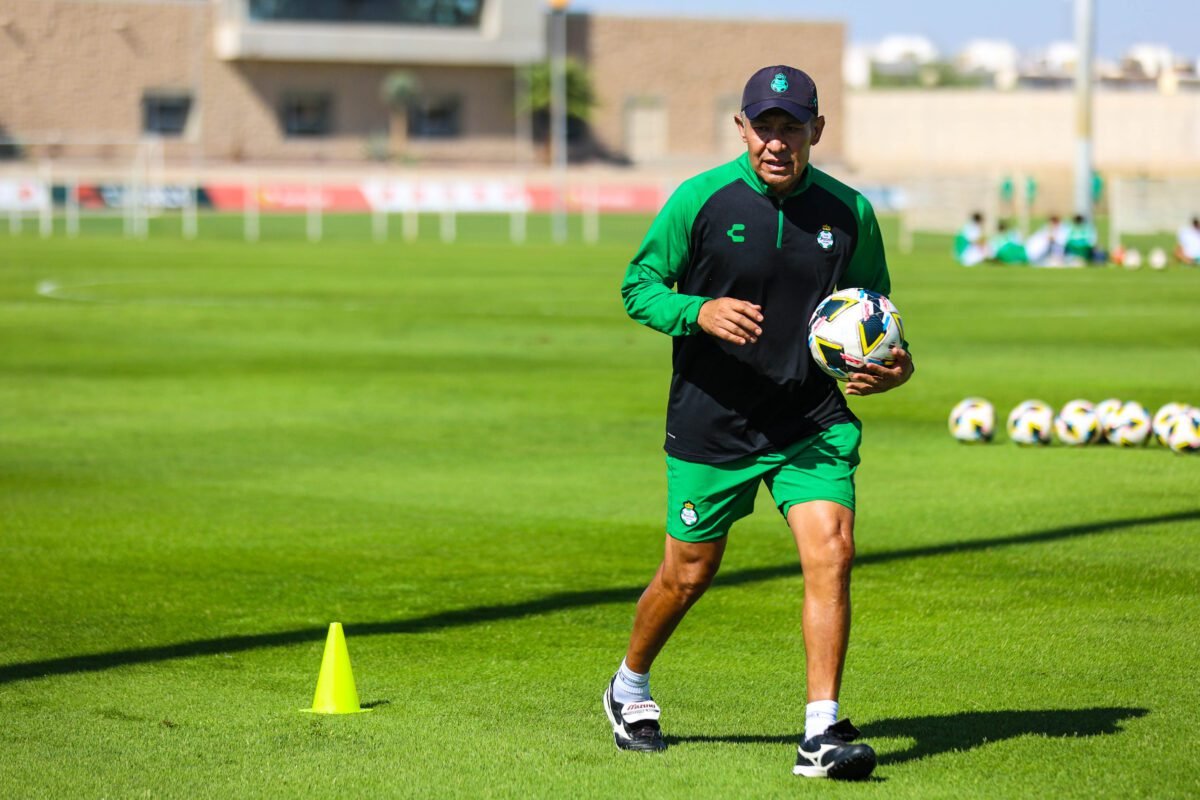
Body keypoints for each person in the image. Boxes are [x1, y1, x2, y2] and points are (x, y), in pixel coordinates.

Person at [607, 64, 914, 781]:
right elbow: (638, 286)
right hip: (714, 419)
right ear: (742, 128)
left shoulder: (850, 212)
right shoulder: (700, 201)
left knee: (832, 550)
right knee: (688, 573)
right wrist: (698, 311)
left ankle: (820, 732)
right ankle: (629, 684)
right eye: (763, 125)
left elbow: (875, 313)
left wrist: (896, 366)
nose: (776, 141)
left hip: (810, 419)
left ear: (817, 131)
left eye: (791, 126)